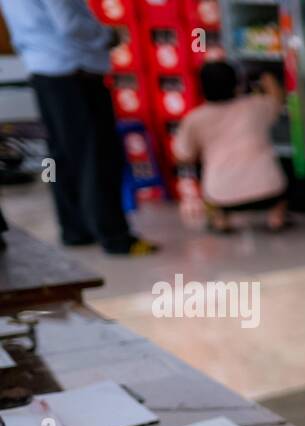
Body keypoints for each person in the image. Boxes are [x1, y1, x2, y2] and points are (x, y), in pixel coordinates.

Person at [0, 0, 157, 255]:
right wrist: (108, 35)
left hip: (42, 68)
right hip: (73, 70)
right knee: (97, 156)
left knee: (62, 155)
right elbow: (70, 24)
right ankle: (115, 236)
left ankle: (75, 230)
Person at [172, 62, 288, 233]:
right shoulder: (256, 106)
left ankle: (221, 220)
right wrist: (265, 76)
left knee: (216, 200)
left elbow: (182, 157)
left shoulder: (195, 119)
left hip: (221, 194)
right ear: (237, 84)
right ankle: (276, 218)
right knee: (277, 187)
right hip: (269, 190)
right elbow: (278, 98)